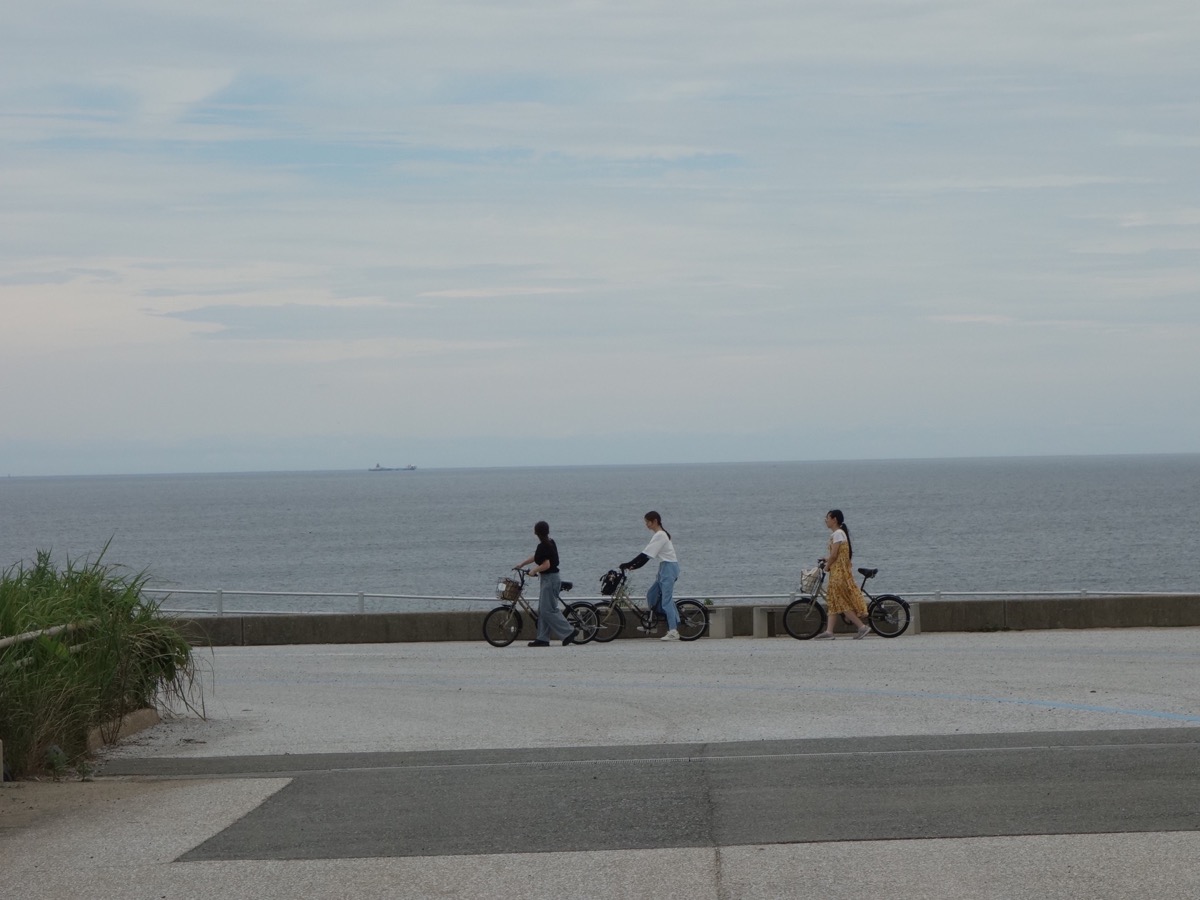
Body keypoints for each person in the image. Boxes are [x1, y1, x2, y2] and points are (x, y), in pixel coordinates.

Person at [620, 511, 682, 641]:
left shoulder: (660, 535)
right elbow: (647, 556)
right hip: (664, 568)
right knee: (651, 595)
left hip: (669, 568)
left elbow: (643, 555)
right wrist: (634, 566)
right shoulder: (659, 535)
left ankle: (673, 630)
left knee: (666, 601)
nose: (646, 525)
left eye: (648, 522)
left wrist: (628, 564)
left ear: (655, 521)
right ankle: (652, 622)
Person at [516, 521, 579, 647]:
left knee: (548, 610)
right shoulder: (548, 542)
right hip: (548, 579)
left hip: (550, 579)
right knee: (543, 609)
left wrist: (533, 571)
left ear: (536, 532)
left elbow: (546, 565)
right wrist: (522, 564)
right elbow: (536, 556)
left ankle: (569, 632)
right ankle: (542, 639)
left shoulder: (544, 545)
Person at [816, 509, 870, 639]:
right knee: (833, 601)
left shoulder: (838, 534)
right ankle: (829, 631)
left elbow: (834, 555)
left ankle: (862, 627)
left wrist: (826, 567)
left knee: (840, 601)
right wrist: (827, 559)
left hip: (838, 574)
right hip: (838, 572)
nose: (826, 520)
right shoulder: (839, 534)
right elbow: (837, 555)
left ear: (834, 519)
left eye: (827, 518)